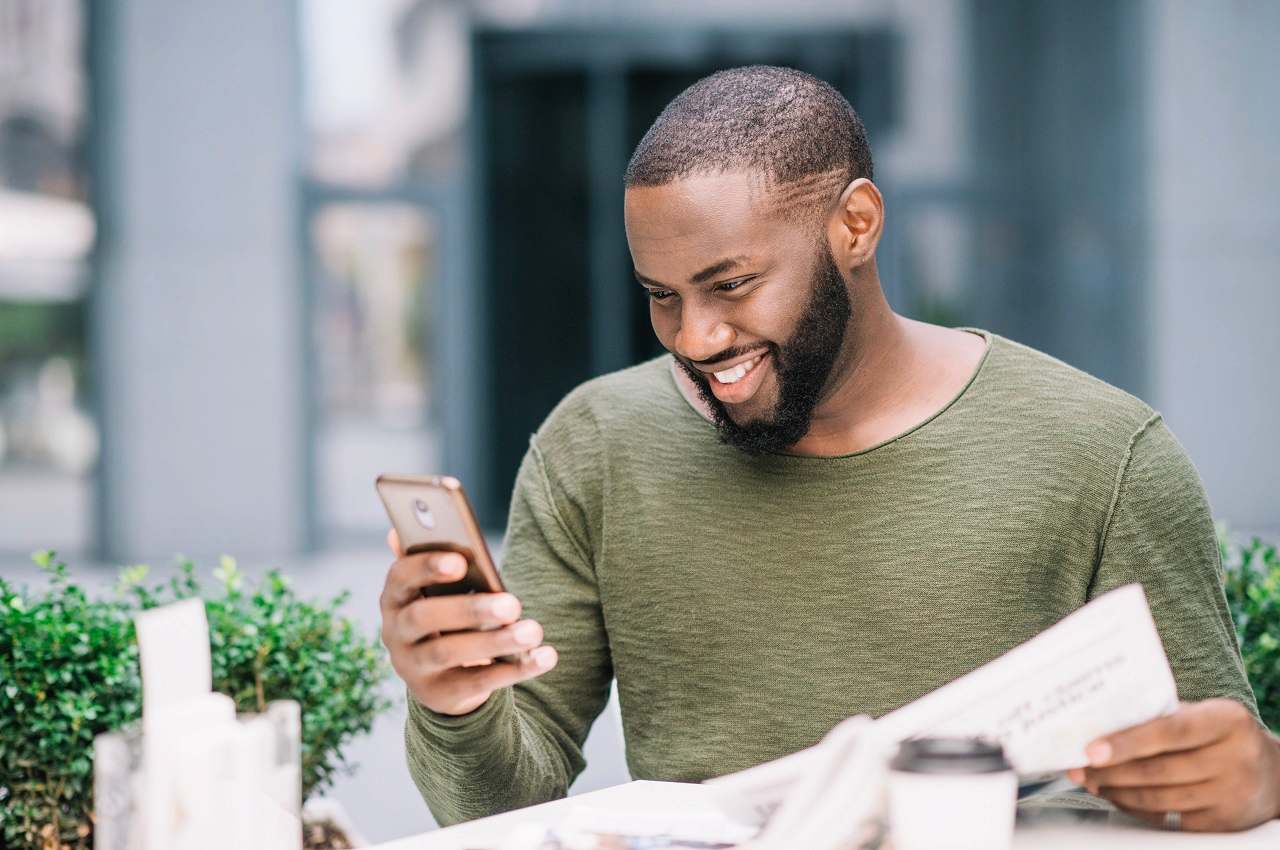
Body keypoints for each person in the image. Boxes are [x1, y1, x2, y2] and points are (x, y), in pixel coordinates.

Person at [378, 66, 1279, 832]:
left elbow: (1207, 770)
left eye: (731, 284)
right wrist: (457, 702)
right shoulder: (598, 444)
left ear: (855, 225)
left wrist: (1262, 780)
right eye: (661, 294)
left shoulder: (1104, 453)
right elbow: (505, 808)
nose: (694, 336)